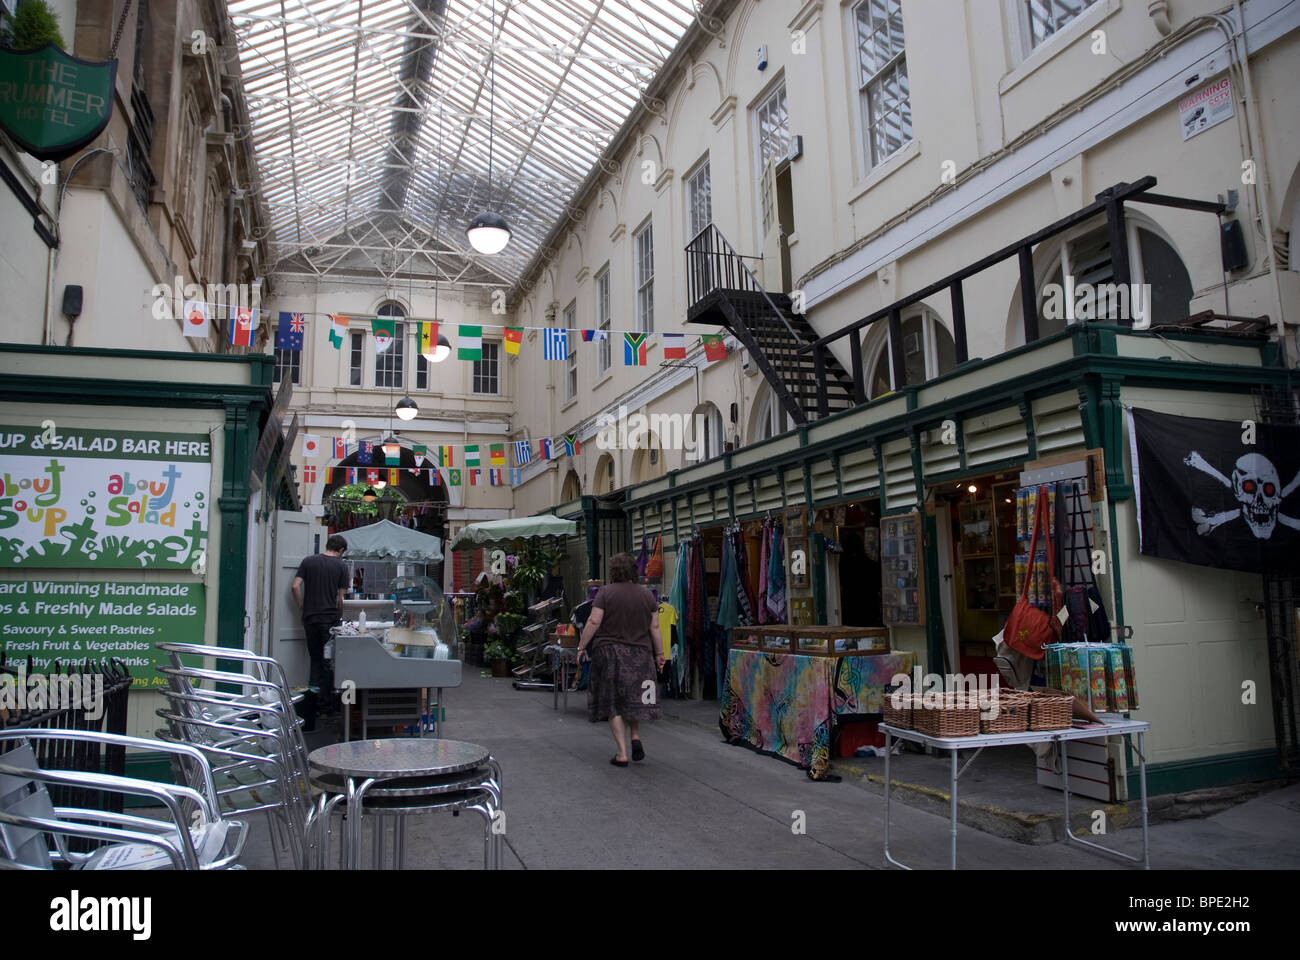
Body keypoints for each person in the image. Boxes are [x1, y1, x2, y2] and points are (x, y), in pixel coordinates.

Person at [576, 553, 664, 766]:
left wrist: (581, 646)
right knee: (635, 698)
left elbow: (594, 621)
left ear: (613, 571)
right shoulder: (647, 595)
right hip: (641, 655)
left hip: (611, 653)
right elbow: (654, 627)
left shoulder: (605, 593)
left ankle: (622, 753)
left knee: (613, 702)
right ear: (634, 571)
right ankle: (635, 736)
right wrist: (660, 655)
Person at [292, 534, 350, 703]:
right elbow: (341, 598)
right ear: (341, 550)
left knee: (315, 657)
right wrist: (341, 616)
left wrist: (301, 606)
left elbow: (295, 586)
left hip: (310, 618)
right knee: (329, 660)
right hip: (329, 618)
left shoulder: (308, 561)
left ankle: (311, 701)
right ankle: (326, 703)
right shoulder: (341, 566)